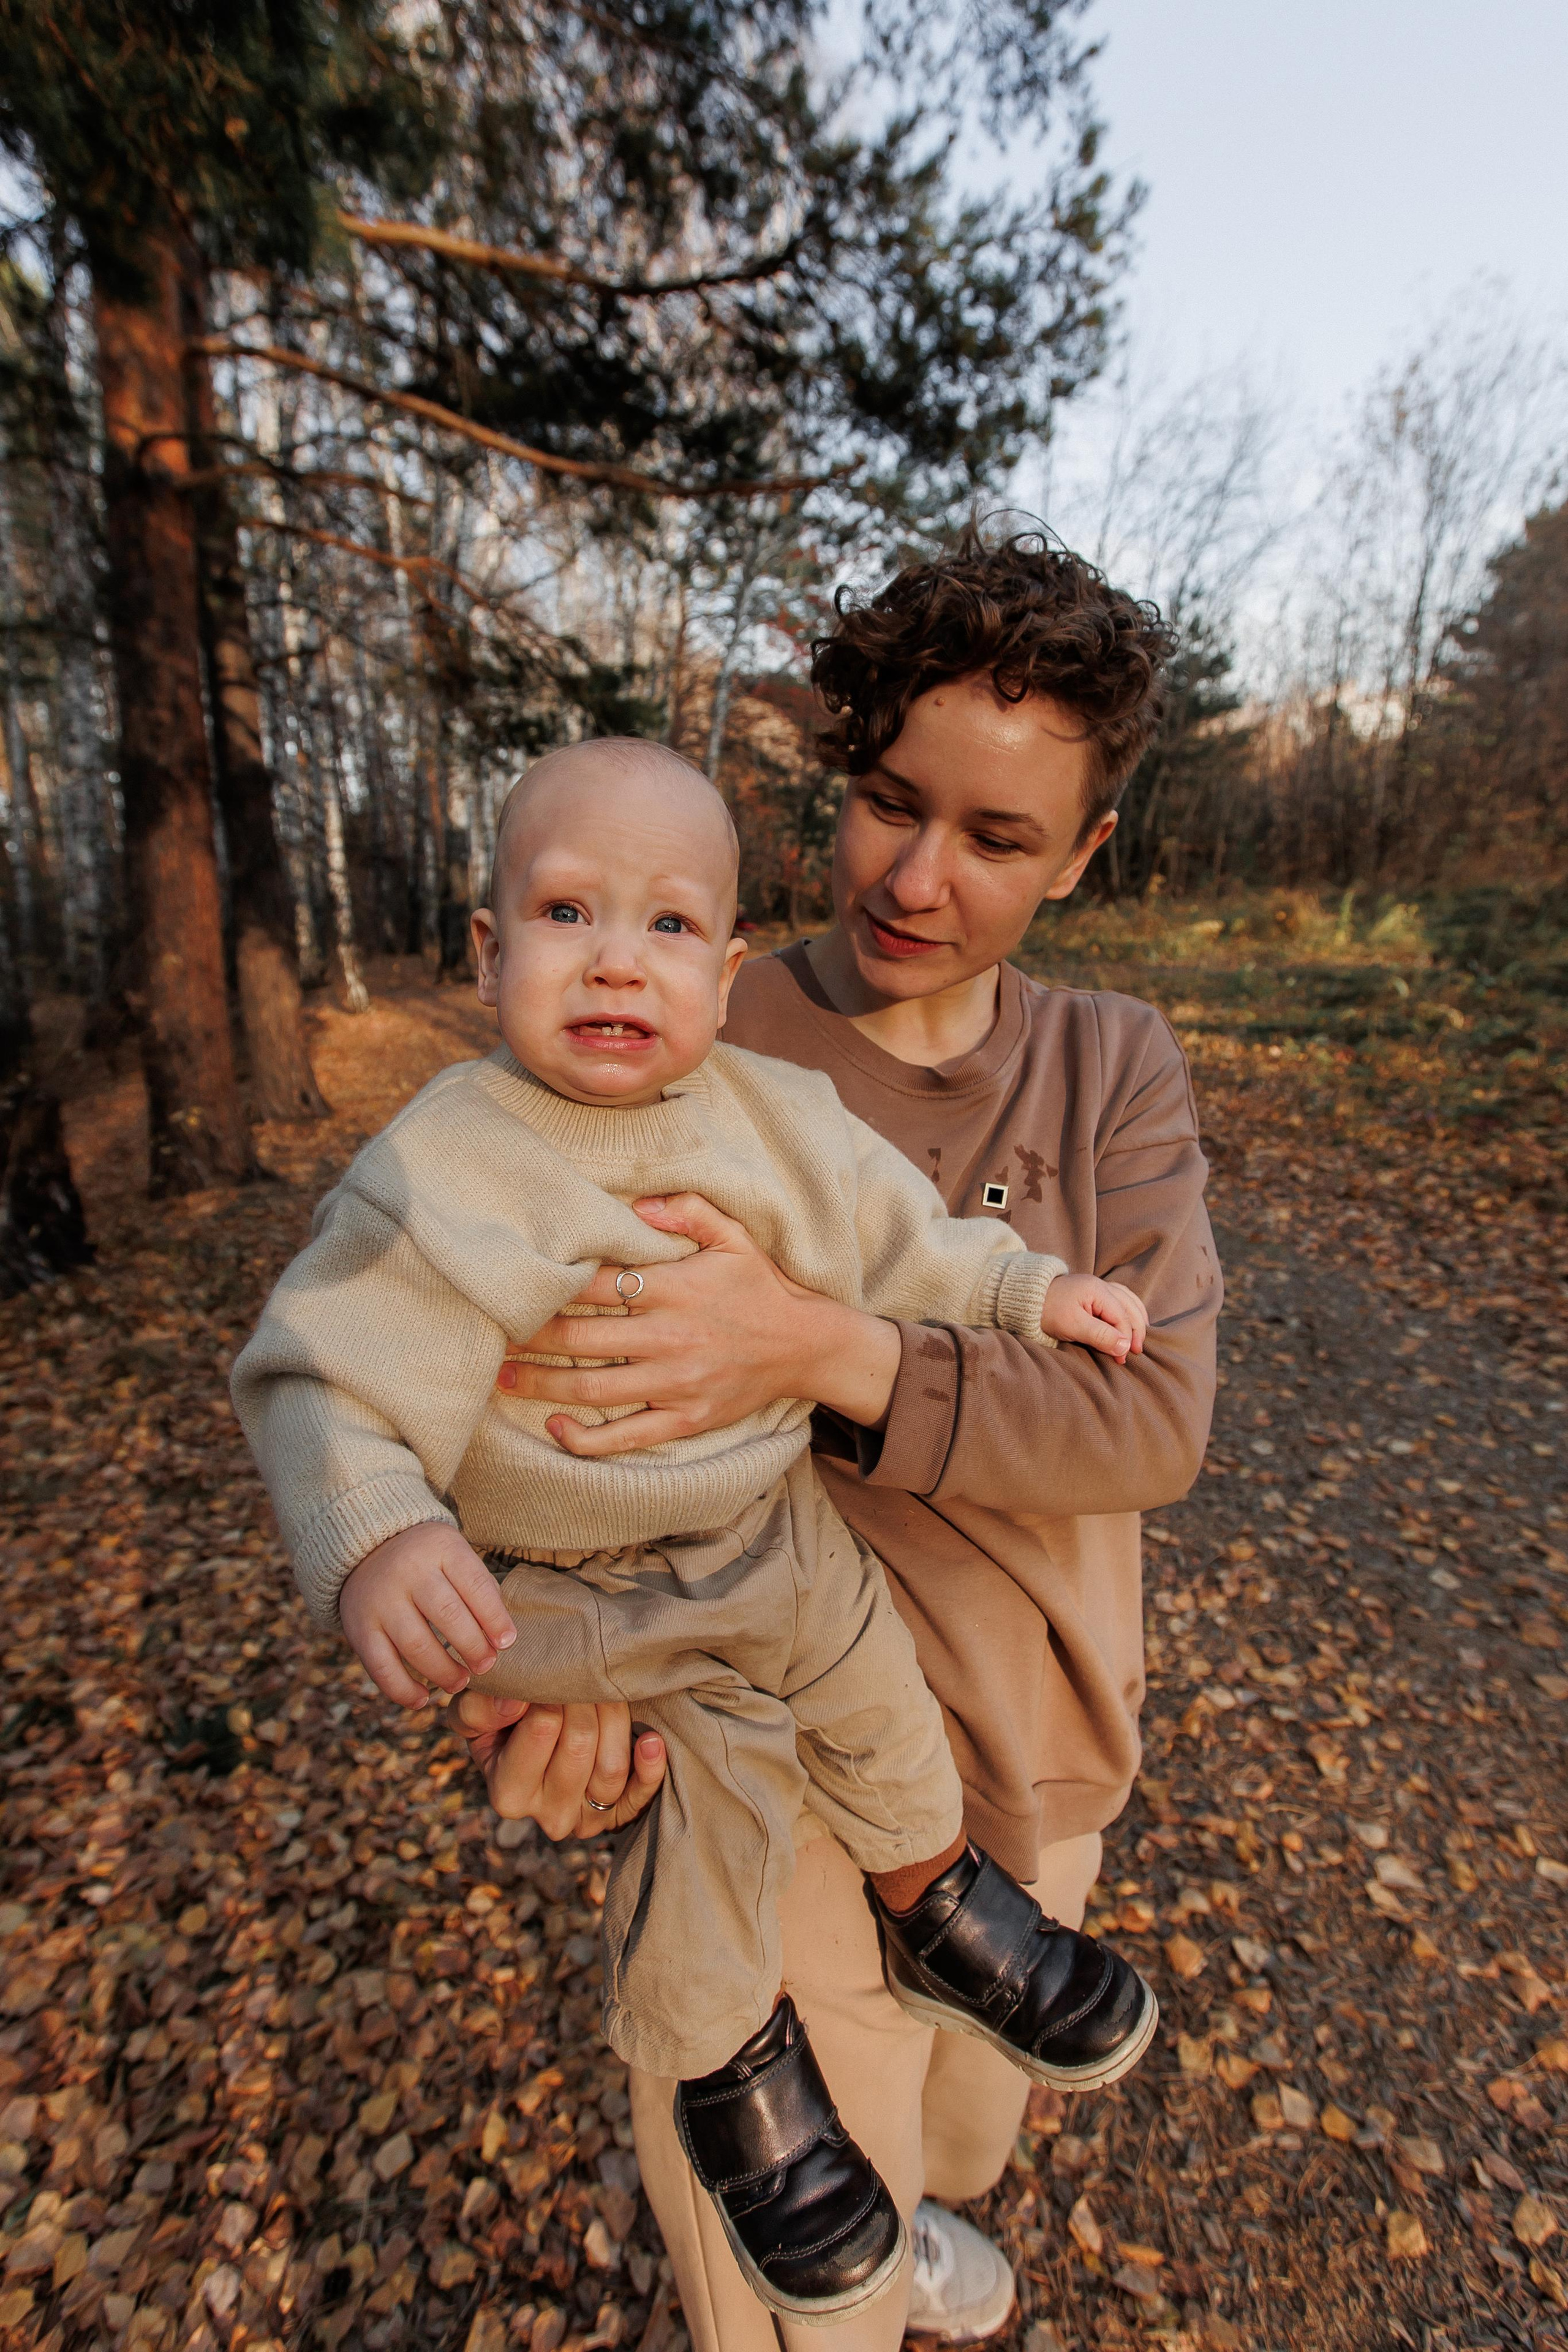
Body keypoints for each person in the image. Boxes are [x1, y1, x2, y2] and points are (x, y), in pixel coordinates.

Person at [231, 735, 1159, 2330]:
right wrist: (378, 1535)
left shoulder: (773, 1113)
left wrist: (1028, 1290)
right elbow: (322, 1370)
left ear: (723, 974)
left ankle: (939, 1902)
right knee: (716, 1810)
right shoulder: (451, 1162)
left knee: (878, 1695)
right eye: (569, 912)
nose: (616, 958)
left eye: (668, 928)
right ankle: (734, 2075)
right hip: (586, 1586)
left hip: (772, 1527)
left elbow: (905, 1239)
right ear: (488, 948)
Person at [457, 526, 1222, 2349]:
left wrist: (820, 1346)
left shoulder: (1110, 1067)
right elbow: (508, 1362)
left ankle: (933, 2226)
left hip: (1033, 1777)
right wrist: (524, 1657)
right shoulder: (685, 1020)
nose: (922, 877)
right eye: (891, 802)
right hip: (759, 1767)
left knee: (967, 2129)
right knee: (805, 2298)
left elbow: (1156, 1417)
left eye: (999, 836)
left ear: (1087, 853)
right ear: (842, 773)